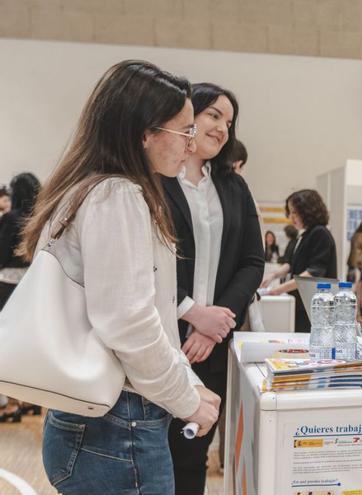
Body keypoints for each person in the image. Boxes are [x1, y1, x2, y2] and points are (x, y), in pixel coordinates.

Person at [19, 60, 220, 494]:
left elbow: (147, 315)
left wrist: (189, 385)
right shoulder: (118, 195)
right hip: (118, 426)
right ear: (145, 132)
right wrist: (187, 399)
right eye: (184, 130)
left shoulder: (92, 189)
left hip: (99, 423)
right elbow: (128, 322)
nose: (191, 143)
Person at [161, 82, 264, 495]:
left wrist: (215, 321)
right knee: (155, 450)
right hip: (162, 337)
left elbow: (252, 261)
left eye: (230, 122)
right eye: (214, 115)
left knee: (193, 449)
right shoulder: (156, 179)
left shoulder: (233, 186)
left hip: (212, 345)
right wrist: (190, 312)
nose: (223, 128)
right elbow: (150, 262)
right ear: (188, 115)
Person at [263, 189, 337, 332]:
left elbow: (312, 274)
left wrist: (278, 290)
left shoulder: (320, 233)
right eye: (290, 212)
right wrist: (273, 275)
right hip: (302, 303)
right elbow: (291, 264)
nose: (291, 217)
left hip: (315, 307)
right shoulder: (304, 235)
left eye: (294, 212)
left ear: (308, 210)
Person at [0, 173, 41, 423]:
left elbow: (2, 254)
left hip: (6, 284)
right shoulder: (41, 216)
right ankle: (30, 400)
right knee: (27, 343)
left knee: (5, 343)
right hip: (31, 284)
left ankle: (9, 403)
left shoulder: (11, 219)